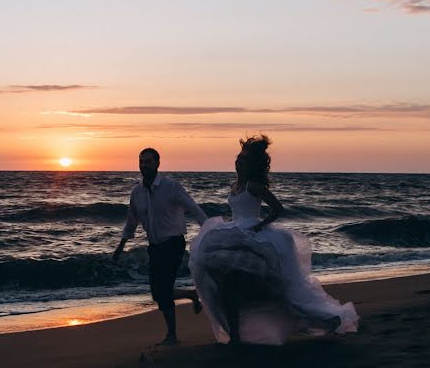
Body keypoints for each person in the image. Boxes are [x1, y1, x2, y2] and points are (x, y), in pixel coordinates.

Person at [188, 135, 358, 345]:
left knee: (276, 293)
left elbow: (278, 209)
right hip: (236, 233)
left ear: (253, 165)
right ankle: (235, 336)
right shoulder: (235, 185)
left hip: (253, 235)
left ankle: (326, 320)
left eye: (244, 159)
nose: (238, 161)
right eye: (238, 157)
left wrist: (260, 225)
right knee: (226, 287)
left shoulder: (254, 186)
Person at [113, 147, 207, 345]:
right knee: (158, 293)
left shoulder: (171, 186)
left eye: (148, 161)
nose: (144, 165)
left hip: (173, 244)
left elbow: (193, 208)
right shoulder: (137, 192)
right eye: (141, 161)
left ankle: (172, 336)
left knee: (163, 290)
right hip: (155, 246)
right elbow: (132, 221)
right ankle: (191, 294)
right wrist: (121, 245)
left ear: (157, 164)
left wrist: (210, 229)